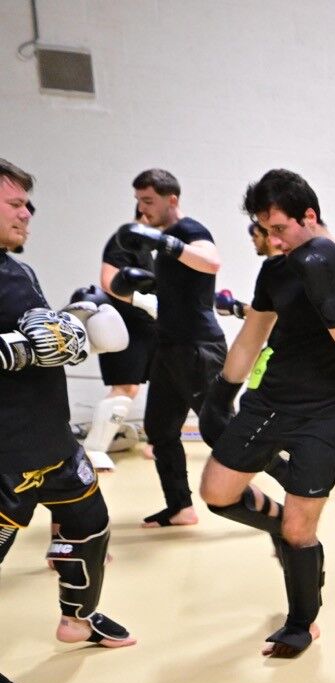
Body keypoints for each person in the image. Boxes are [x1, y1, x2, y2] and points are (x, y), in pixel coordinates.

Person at [196, 169, 335, 659]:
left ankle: (302, 621)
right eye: (266, 230)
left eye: (279, 228)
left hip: (326, 412)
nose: (273, 241)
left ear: (310, 216)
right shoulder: (275, 272)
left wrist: (327, 298)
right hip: (270, 401)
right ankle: (278, 524)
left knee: (301, 533)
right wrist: (222, 392)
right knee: (216, 492)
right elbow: (251, 337)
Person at [0, 157, 139, 683]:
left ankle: (78, 620)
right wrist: (13, 350)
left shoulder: (17, 270)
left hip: (52, 441)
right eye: (15, 203)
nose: (27, 213)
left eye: (28, 204)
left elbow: (39, 341)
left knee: (90, 527)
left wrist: (69, 325)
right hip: (4, 456)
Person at [103, 169, 226, 528]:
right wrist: (147, 286)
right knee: (159, 430)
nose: (142, 209)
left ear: (171, 199)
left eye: (148, 201)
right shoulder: (162, 243)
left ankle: (284, 488)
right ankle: (180, 507)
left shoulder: (188, 230)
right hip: (169, 345)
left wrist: (164, 243)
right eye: (138, 201)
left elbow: (211, 261)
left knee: (221, 430)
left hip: (198, 345)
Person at [80, 216, 160, 471]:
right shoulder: (124, 241)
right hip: (125, 328)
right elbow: (109, 280)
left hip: (148, 328)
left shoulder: (149, 248)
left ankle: (157, 442)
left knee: (165, 384)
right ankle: (93, 449)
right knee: (126, 388)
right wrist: (144, 301)